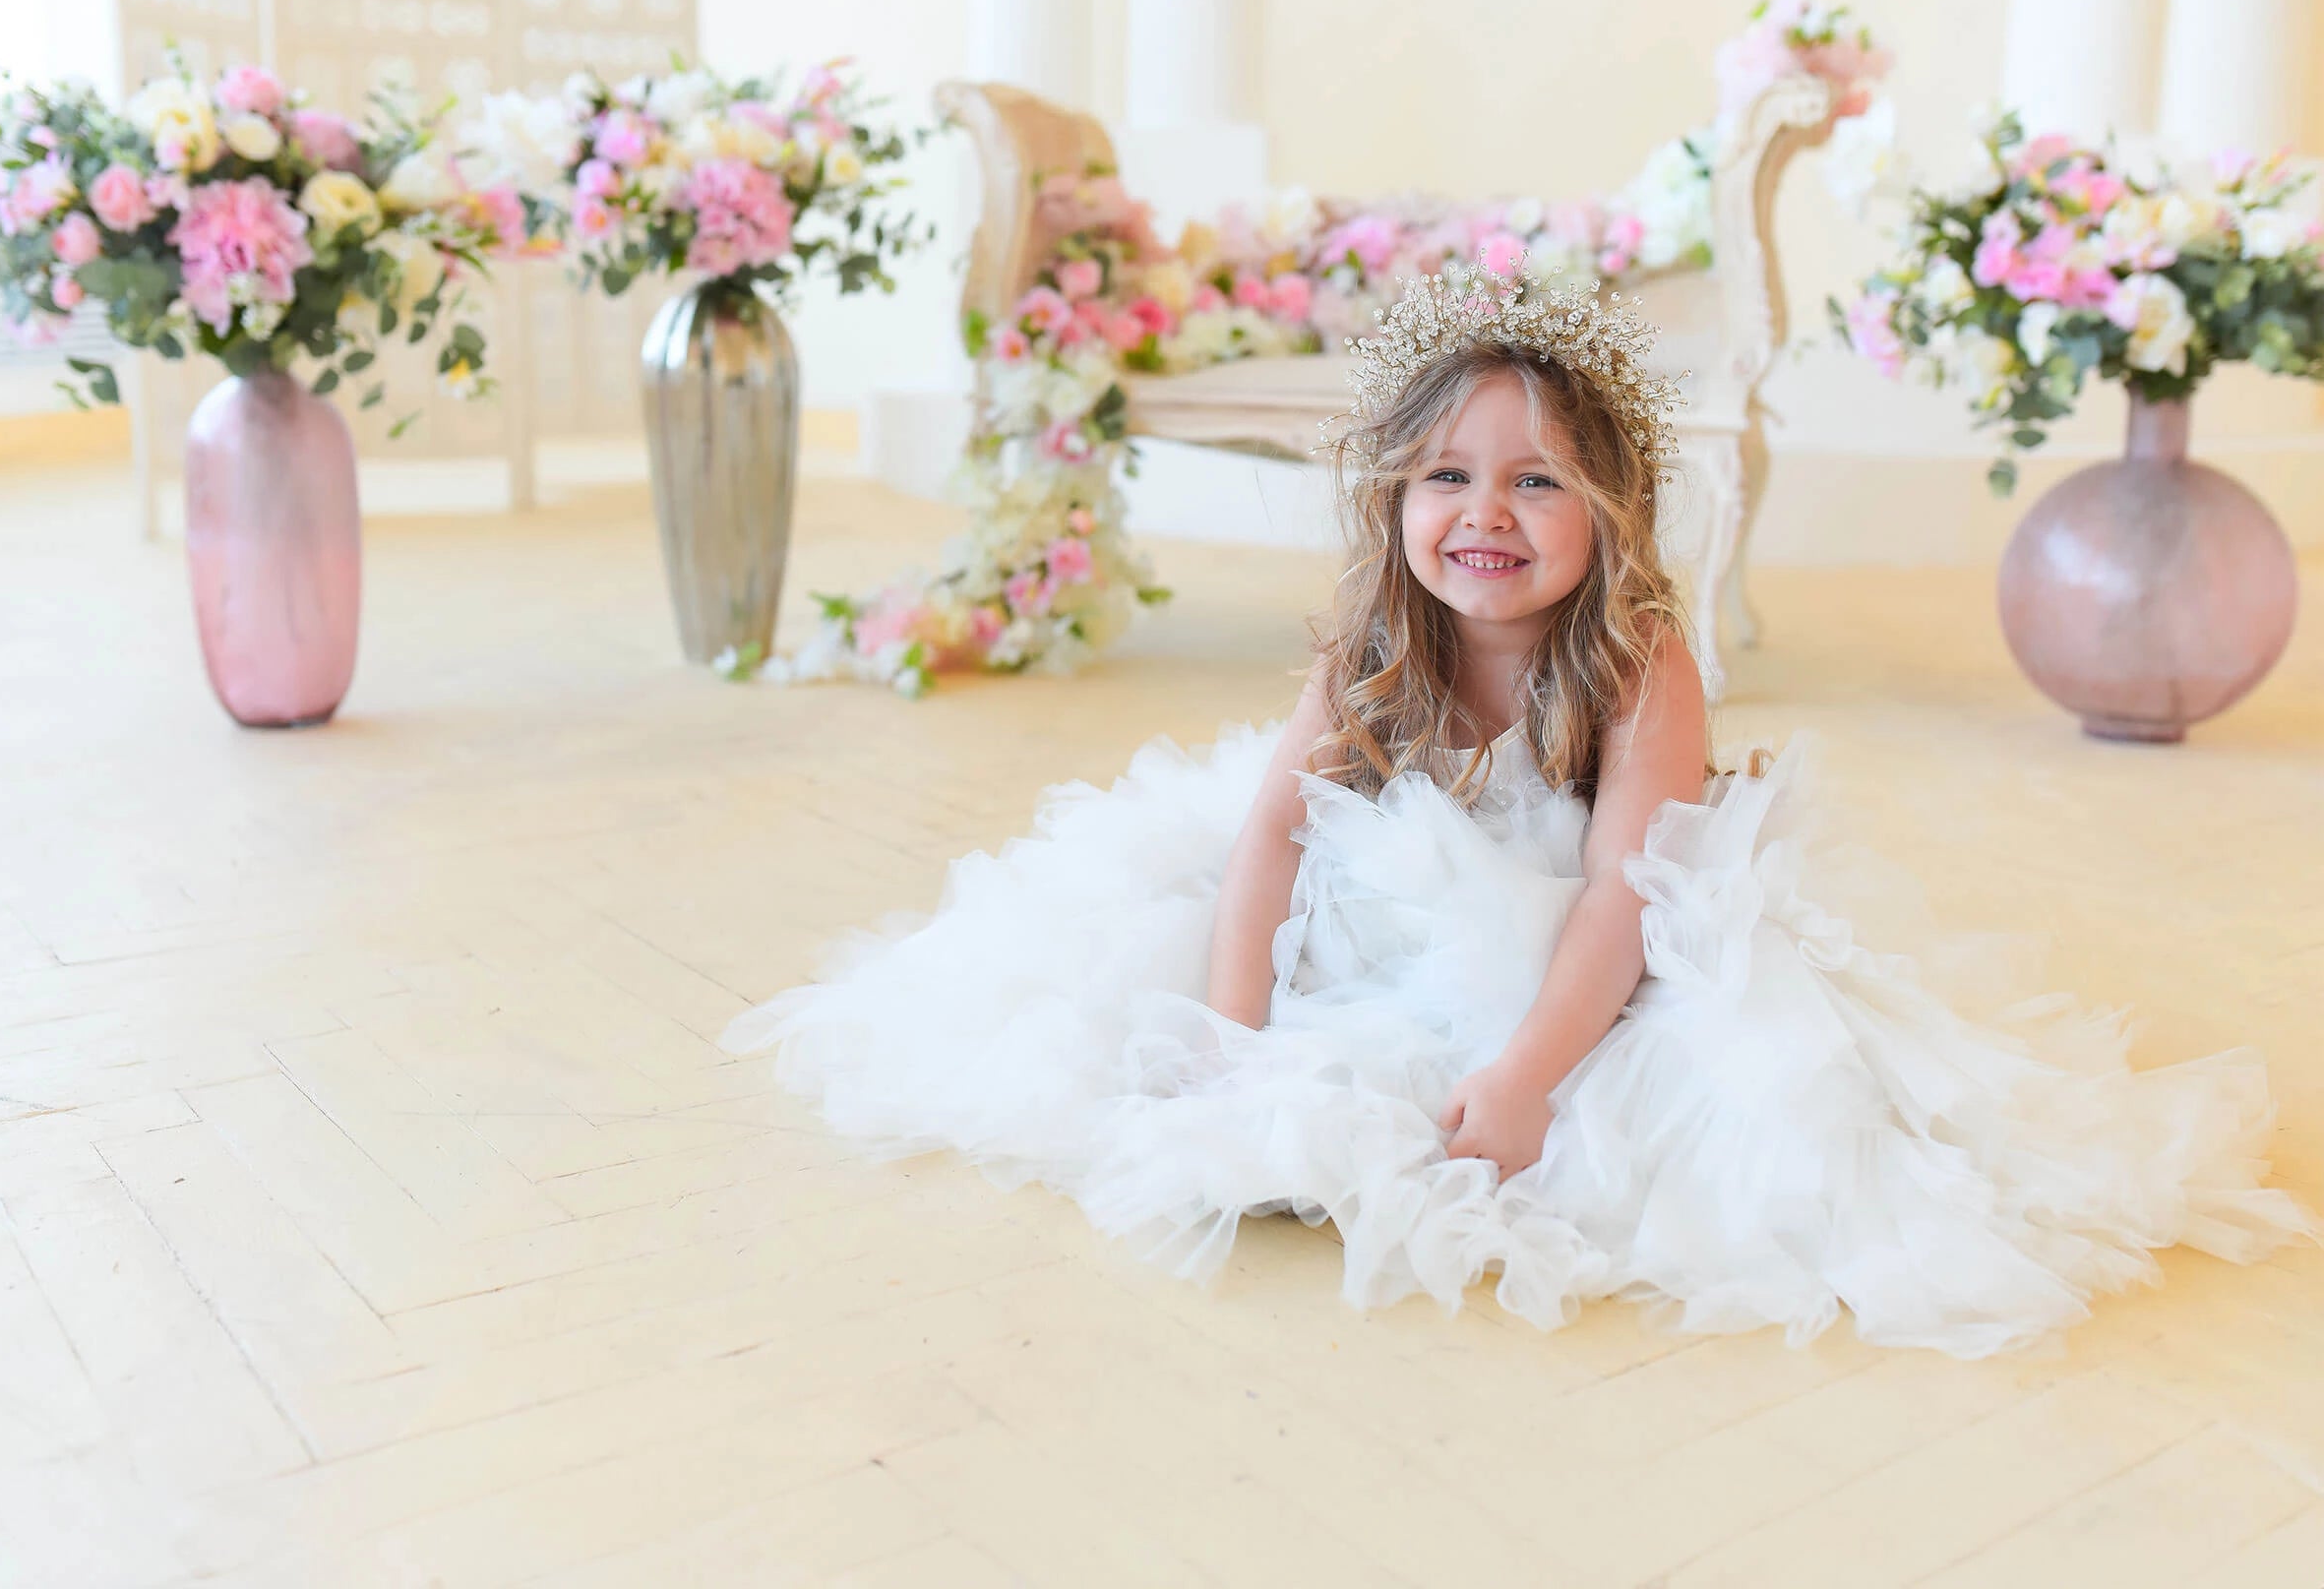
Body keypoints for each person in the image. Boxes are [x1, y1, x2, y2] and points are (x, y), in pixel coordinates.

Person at [723, 269, 2311, 1359]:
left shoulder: (1639, 658)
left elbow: (1629, 894)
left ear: (1610, 513)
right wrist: (1232, 1038)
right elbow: (1273, 837)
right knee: (1205, 953)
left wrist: (1533, 1076)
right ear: (1393, 504)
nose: (1487, 514)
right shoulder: (1369, 643)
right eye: (1446, 480)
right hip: (1392, 906)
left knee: (1754, 1081)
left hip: (1597, 935)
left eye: (1541, 482)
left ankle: (1492, 1085)